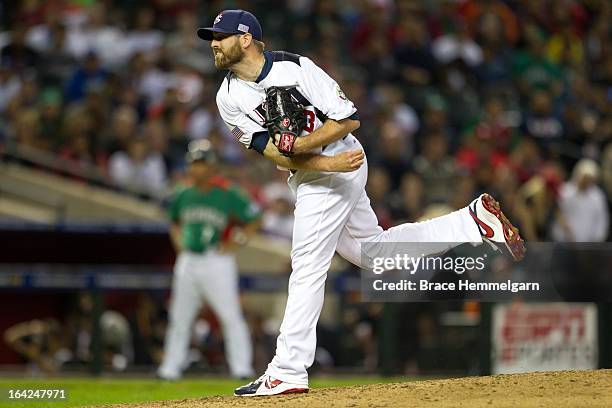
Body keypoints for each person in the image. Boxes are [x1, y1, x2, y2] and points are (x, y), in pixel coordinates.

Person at [197, 9, 525, 396]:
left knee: (307, 265)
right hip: (317, 170)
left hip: (342, 159)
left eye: (220, 36)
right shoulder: (228, 96)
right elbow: (273, 152)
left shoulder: (297, 68)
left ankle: (287, 370)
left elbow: (348, 119)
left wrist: (316, 152)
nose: (214, 44)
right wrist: (316, 157)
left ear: (246, 38)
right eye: (212, 38)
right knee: (374, 252)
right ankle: (472, 221)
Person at [157, 140, 261, 380]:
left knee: (230, 316)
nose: (197, 168)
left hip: (217, 260)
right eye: (194, 163)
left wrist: (238, 241)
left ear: (212, 166)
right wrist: (178, 242)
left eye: (202, 163)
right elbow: (173, 221)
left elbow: (256, 217)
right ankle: (170, 369)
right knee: (179, 317)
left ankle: (241, 368)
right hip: (188, 261)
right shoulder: (182, 192)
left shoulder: (227, 192)